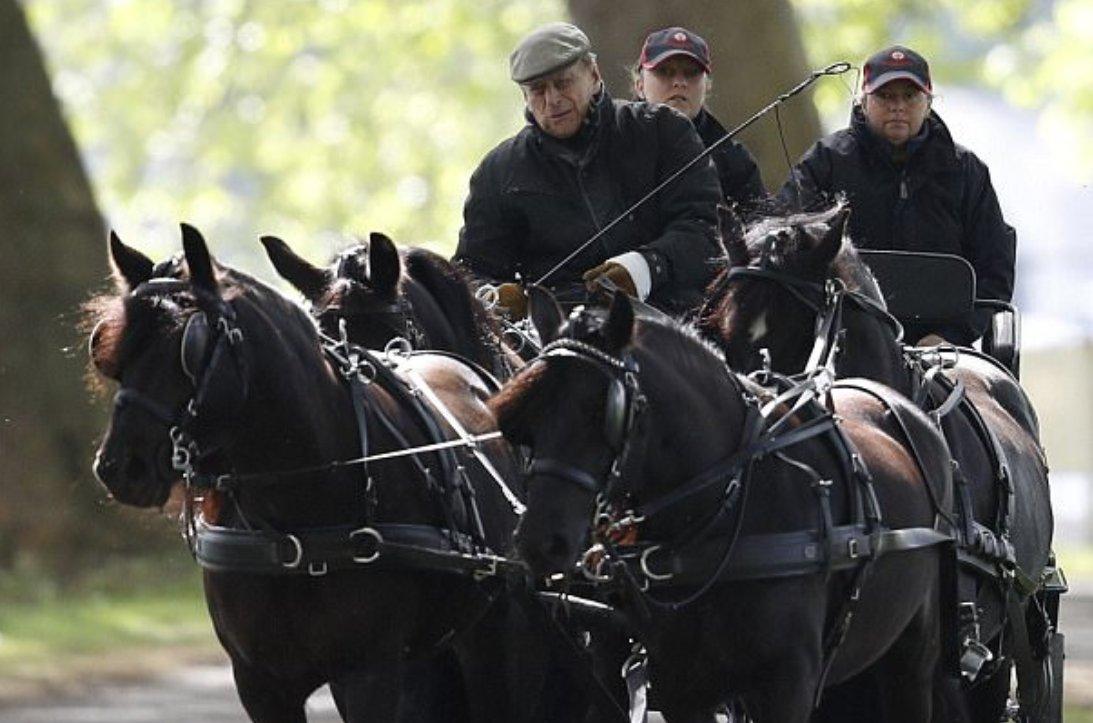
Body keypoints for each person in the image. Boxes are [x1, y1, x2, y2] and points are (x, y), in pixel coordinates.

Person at [453, 22, 723, 318]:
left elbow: (704, 231)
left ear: (594, 75)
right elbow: (470, 273)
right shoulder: (499, 172)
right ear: (525, 97)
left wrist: (646, 267)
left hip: (678, 321)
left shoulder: (663, 131)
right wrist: (495, 296)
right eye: (538, 90)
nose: (553, 99)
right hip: (560, 340)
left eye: (563, 83)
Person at [777, 45, 1016, 346]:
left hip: (944, 346)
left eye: (909, 96)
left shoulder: (965, 171)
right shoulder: (825, 162)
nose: (898, 106)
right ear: (863, 102)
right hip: (843, 338)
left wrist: (951, 335)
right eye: (885, 96)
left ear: (928, 103)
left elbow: (995, 267)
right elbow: (788, 244)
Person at [633, 26, 766, 211]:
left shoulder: (734, 162)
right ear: (640, 86)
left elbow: (760, 226)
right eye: (665, 71)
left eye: (691, 72)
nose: (679, 82)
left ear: (707, 87)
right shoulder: (614, 144)